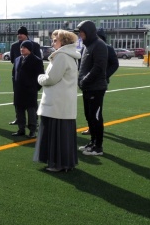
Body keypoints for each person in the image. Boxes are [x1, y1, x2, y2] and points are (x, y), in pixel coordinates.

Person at [33, 29, 82, 172]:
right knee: (63, 135)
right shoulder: (70, 55)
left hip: (57, 102)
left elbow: (51, 78)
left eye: (55, 40)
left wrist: (39, 78)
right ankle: (64, 163)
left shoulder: (61, 56)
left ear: (64, 42)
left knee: (56, 134)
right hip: (63, 102)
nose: (52, 43)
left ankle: (57, 164)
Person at [76, 20, 108, 156]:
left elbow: (98, 67)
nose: (80, 35)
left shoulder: (99, 45)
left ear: (88, 32)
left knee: (95, 117)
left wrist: (84, 80)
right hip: (87, 88)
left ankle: (98, 147)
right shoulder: (87, 46)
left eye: (82, 32)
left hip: (96, 88)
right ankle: (92, 142)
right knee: (89, 116)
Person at [80, 29, 119, 135]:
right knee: (87, 109)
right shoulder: (86, 47)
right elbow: (81, 63)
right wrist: (82, 77)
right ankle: (91, 127)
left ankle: (96, 131)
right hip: (86, 82)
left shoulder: (107, 48)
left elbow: (115, 64)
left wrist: (104, 75)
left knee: (96, 109)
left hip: (98, 84)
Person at [12, 40, 44, 138]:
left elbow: (40, 76)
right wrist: (15, 86)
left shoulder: (37, 60)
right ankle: (21, 129)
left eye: (24, 47)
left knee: (31, 111)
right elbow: (14, 74)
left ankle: (32, 130)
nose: (22, 49)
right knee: (19, 110)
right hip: (19, 90)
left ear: (30, 49)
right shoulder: (17, 59)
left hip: (30, 91)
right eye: (21, 47)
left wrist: (35, 88)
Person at [9, 26, 41, 125]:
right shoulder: (14, 46)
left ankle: (34, 120)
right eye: (18, 34)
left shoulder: (35, 45)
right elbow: (12, 60)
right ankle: (19, 119)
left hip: (31, 78)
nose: (19, 35)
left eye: (21, 34)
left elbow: (38, 60)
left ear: (26, 35)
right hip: (18, 77)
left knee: (32, 101)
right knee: (17, 99)